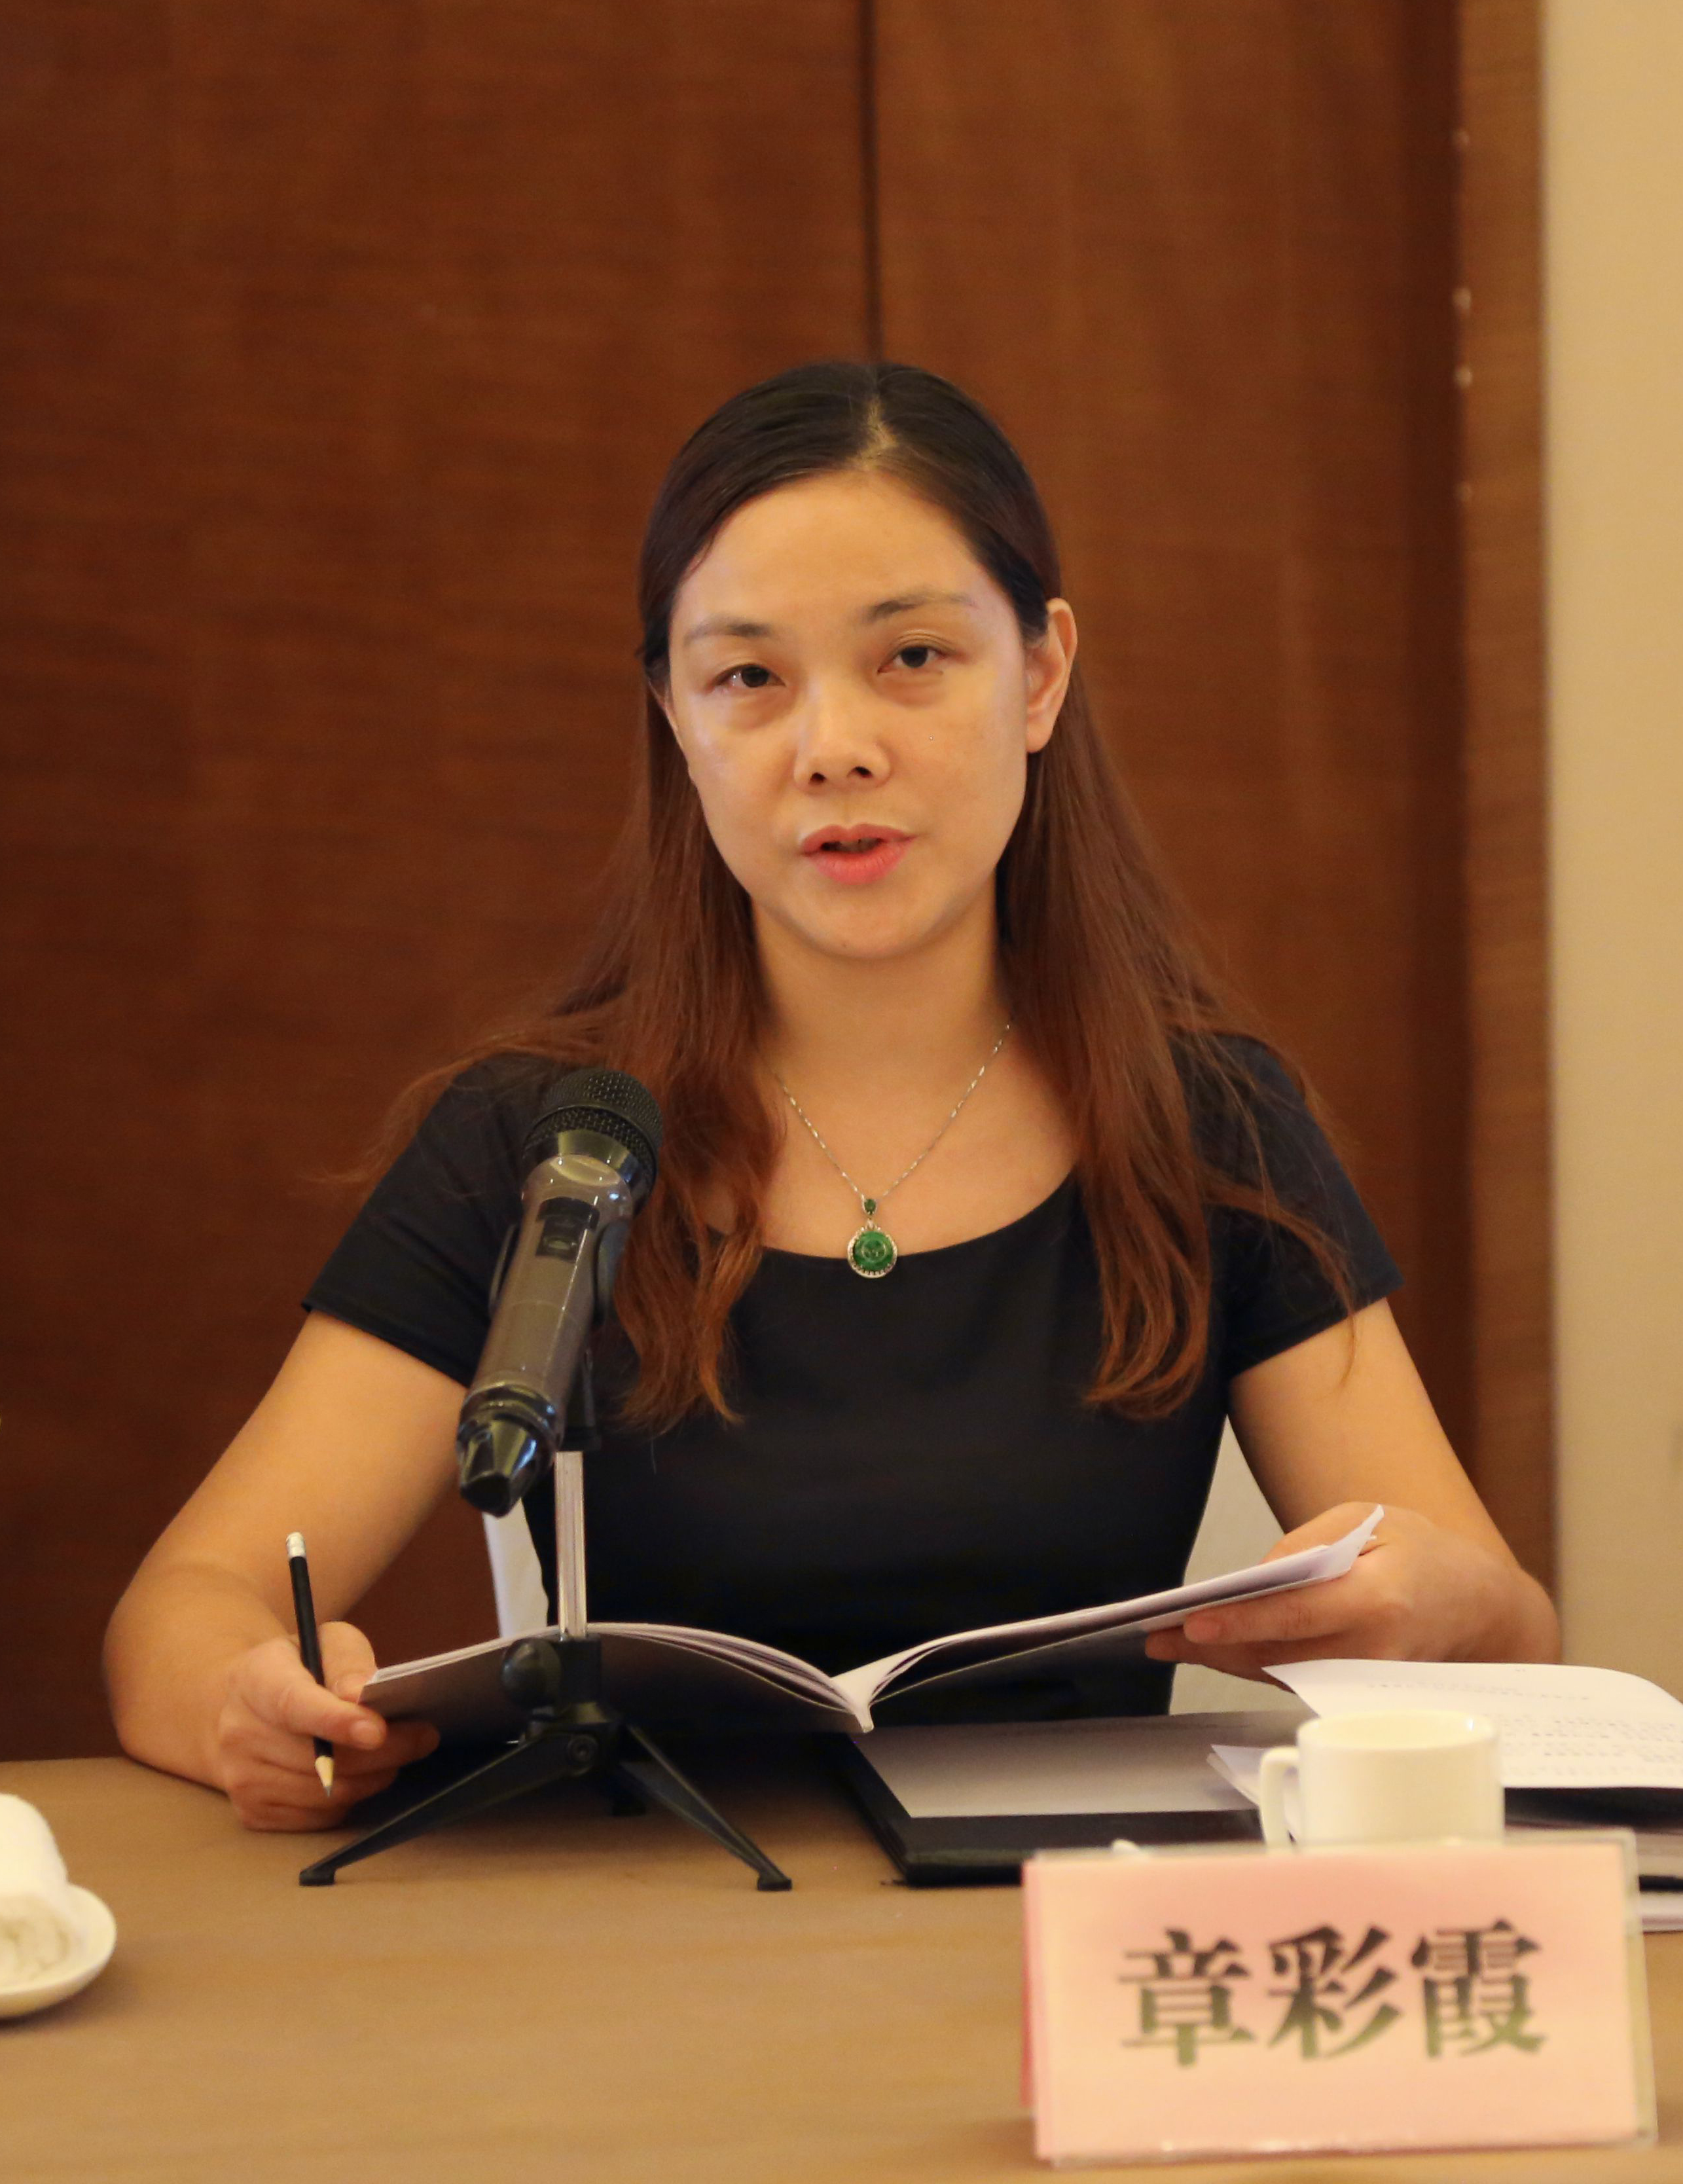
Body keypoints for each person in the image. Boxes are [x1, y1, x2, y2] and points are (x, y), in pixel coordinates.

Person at [104, 361, 1558, 1832]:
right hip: (649, 1924)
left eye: (912, 657)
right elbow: (187, 1606)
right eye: (749, 679)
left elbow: (1507, 1631)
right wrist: (253, 1701)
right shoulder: (546, 1141)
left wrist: (1448, 1606)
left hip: (1076, 1906)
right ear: (674, 717)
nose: (835, 748)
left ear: (1041, 675)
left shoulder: (1207, 1122)